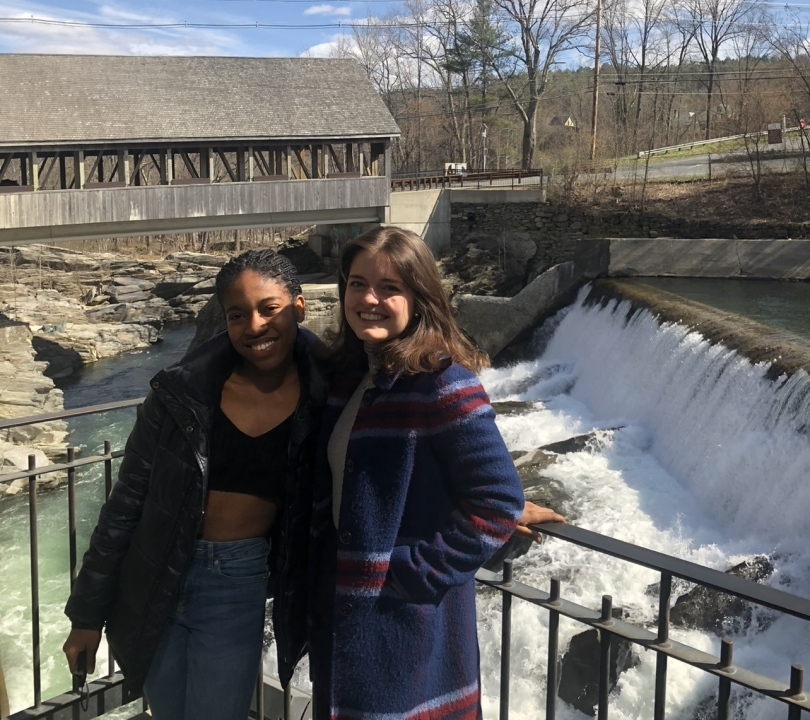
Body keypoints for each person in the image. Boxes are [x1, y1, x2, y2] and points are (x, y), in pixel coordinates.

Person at [308, 226, 564, 720]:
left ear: (419, 297)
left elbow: (497, 500)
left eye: (389, 288)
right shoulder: (347, 377)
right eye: (357, 284)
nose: (369, 299)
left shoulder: (443, 384)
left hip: (404, 628)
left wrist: (410, 575)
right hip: (342, 616)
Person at [62, 249, 329, 720]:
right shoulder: (180, 392)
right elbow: (126, 504)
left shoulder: (329, 391)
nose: (255, 326)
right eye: (237, 315)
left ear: (298, 307)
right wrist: (86, 616)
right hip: (154, 573)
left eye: (269, 309)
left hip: (237, 581)